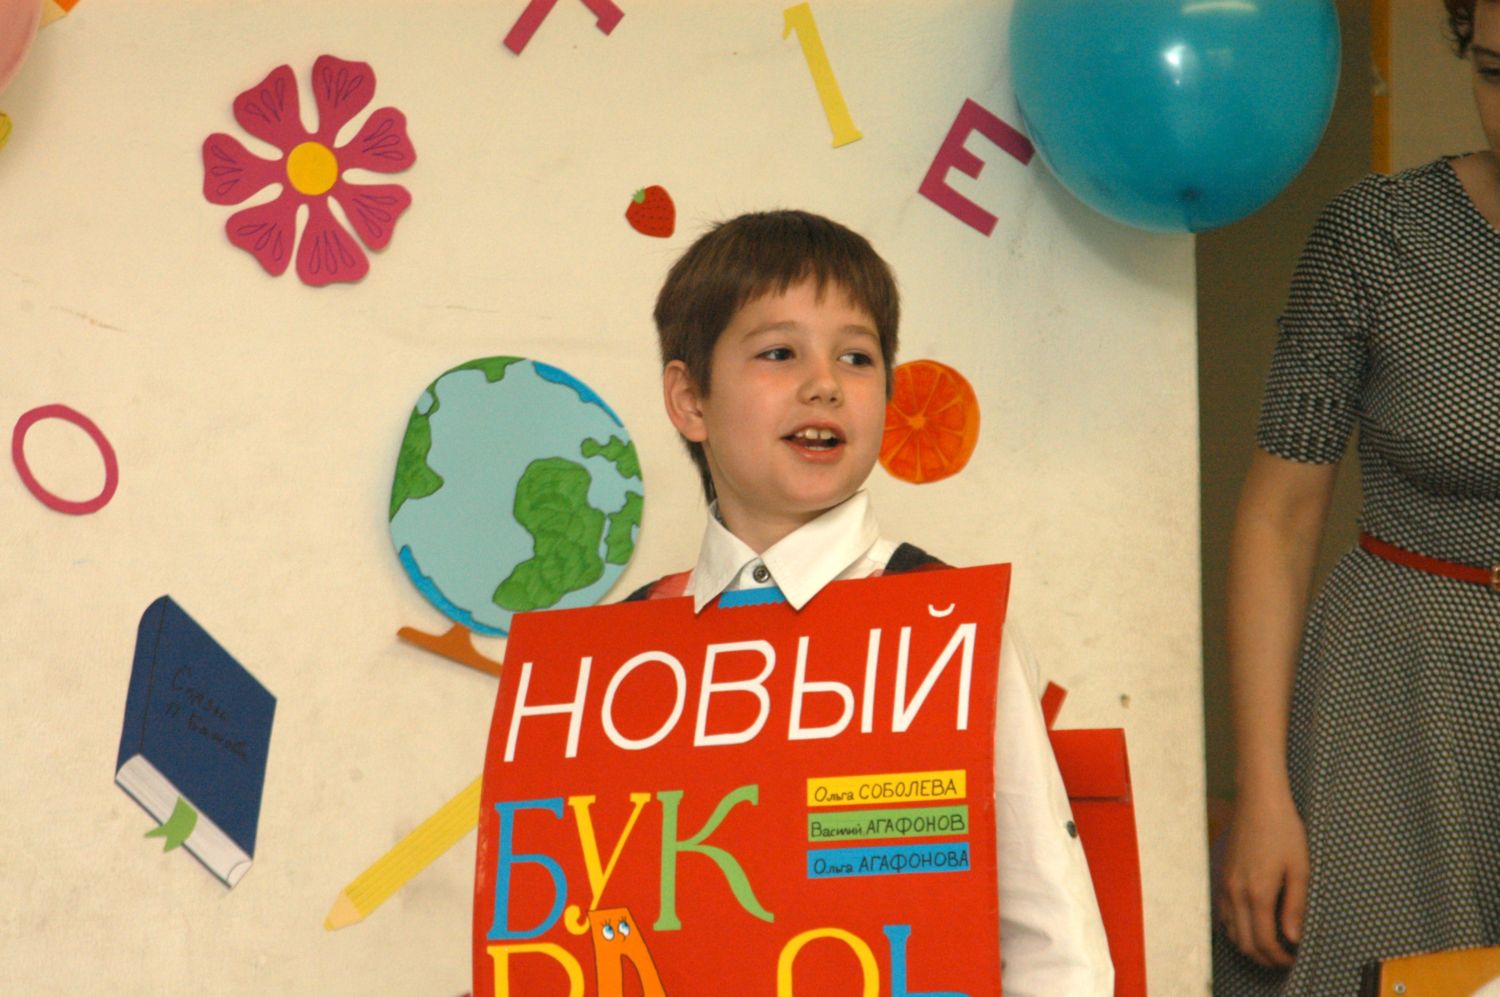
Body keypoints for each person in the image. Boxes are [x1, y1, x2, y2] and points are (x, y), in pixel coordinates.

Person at [627, 208, 1113, 995]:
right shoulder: (624, 648)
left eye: (856, 356)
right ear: (690, 400)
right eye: (779, 352)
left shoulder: (949, 627)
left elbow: (1054, 941)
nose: (824, 383)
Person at [1213, 1, 1500, 993]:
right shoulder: (1378, 235)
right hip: (1399, 697)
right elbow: (1279, 516)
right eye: (1494, 72)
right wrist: (1261, 789)